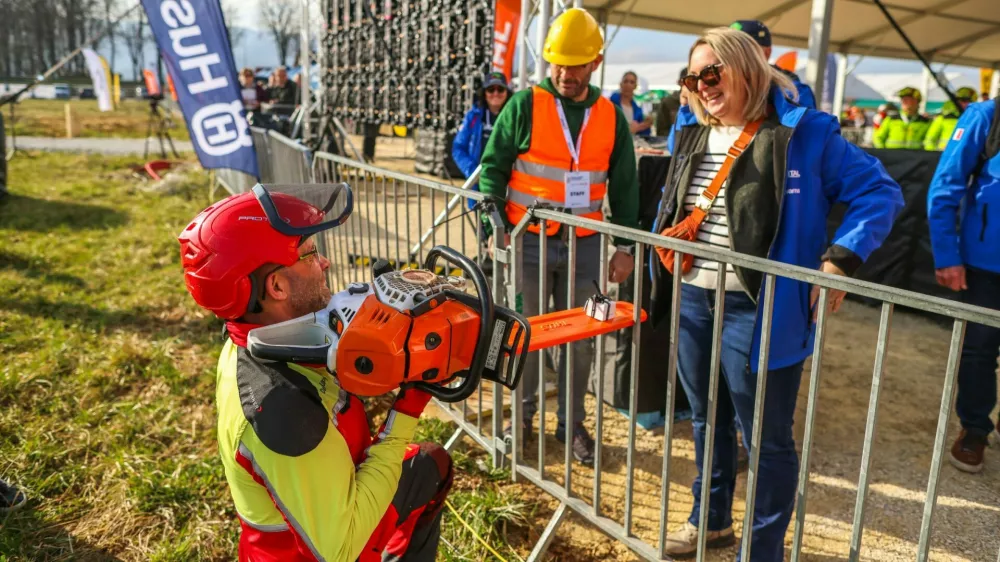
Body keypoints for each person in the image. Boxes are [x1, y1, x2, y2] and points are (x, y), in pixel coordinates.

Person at [651, 28, 902, 558]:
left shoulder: (804, 133)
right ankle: (710, 519)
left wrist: (839, 259)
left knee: (765, 437)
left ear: (747, 68)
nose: (702, 86)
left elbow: (879, 191)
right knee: (705, 418)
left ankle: (762, 549)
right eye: (692, 77)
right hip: (695, 298)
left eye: (712, 73)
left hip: (759, 309)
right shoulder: (691, 132)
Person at [177, 186, 453, 562]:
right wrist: (410, 405)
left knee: (426, 465)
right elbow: (341, 549)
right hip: (317, 550)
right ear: (276, 286)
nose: (324, 263)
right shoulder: (282, 411)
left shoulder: (254, 336)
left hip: (309, 512)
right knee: (424, 464)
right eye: (308, 255)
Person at [479, 7, 639, 465]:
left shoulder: (609, 116)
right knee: (524, 332)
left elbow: (626, 186)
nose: (566, 74)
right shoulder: (524, 104)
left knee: (581, 336)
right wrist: (494, 226)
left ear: (596, 61)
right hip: (527, 241)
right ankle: (521, 418)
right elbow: (494, 167)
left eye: (577, 63)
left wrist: (625, 246)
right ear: (549, 61)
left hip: (586, 246)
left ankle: (571, 425)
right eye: (559, 63)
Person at [927, 95, 1000, 473]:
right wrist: (947, 254)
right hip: (987, 266)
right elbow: (946, 186)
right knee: (980, 349)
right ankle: (974, 428)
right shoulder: (986, 117)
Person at [452, 71, 513, 210]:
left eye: (500, 89)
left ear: (507, 92)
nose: (495, 94)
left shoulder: (515, 117)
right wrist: (472, 172)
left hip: (507, 185)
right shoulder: (473, 116)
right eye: (491, 89)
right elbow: (458, 147)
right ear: (484, 93)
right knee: (482, 228)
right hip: (478, 184)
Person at [730, 20, 816, 109]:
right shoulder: (720, 82)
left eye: (743, 48)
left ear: (766, 53)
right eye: (727, 48)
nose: (732, 54)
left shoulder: (792, 91)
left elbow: (802, 119)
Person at [610, 71, 654, 137]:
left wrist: (646, 124)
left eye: (632, 82)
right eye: (626, 81)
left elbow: (644, 134)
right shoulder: (611, 105)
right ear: (621, 84)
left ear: (635, 86)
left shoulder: (637, 110)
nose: (628, 85)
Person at [655, 67, 689, 137]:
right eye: (687, 81)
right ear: (679, 82)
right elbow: (661, 131)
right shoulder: (667, 103)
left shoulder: (703, 102)